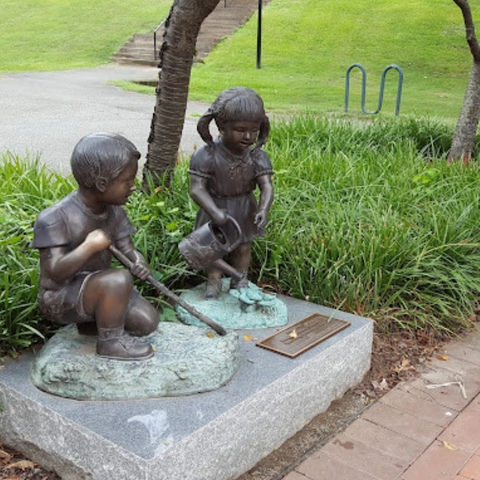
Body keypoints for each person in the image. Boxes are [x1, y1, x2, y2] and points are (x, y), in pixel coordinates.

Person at [31, 133, 159, 361]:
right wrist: (88, 246)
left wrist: (137, 261)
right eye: (127, 181)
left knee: (147, 322)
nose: (133, 186)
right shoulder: (54, 218)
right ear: (102, 184)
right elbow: (55, 273)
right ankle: (111, 343)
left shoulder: (115, 212)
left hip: (100, 289)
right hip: (61, 297)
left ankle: (94, 322)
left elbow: (127, 248)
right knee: (117, 279)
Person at [189, 86, 274, 299]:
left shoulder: (256, 157)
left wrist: (263, 208)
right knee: (213, 247)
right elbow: (197, 188)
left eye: (253, 131)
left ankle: (240, 280)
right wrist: (214, 212)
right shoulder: (206, 156)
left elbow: (266, 185)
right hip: (214, 206)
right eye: (240, 129)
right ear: (221, 127)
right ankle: (213, 281)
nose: (248, 136)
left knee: (243, 247)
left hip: (244, 207)